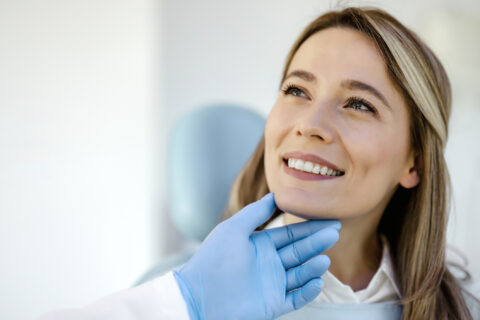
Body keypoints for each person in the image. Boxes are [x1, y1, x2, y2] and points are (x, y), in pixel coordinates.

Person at [39, 6, 480, 320]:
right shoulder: (181, 295)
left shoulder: (460, 310)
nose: (310, 123)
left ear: (413, 161)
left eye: (359, 104)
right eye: (296, 91)